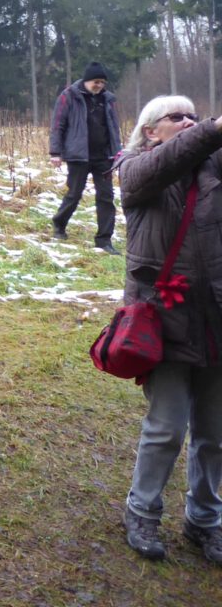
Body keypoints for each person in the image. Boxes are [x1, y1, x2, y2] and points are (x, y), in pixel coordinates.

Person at [116, 95, 222, 565]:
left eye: (193, 116)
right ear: (150, 130)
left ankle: (204, 520)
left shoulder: (214, 170)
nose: (188, 122)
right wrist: (213, 128)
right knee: (166, 427)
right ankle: (142, 510)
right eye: (175, 117)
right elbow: (167, 164)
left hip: (216, 316)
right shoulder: (136, 171)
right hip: (164, 316)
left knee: (215, 433)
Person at [49, 61, 120, 254]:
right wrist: (55, 152)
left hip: (103, 157)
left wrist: (118, 153)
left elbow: (114, 128)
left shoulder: (108, 99)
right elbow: (58, 125)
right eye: (96, 81)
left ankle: (104, 240)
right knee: (74, 194)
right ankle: (59, 224)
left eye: (102, 82)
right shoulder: (68, 96)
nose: (99, 85)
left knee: (106, 197)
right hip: (78, 156)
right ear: (87, 80)